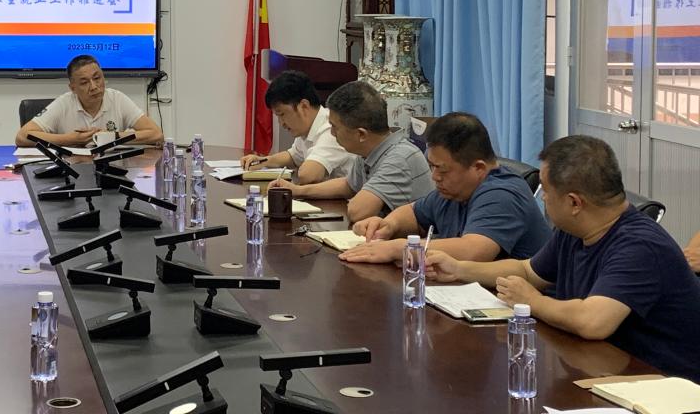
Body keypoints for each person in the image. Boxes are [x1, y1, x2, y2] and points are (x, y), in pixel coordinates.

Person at [426, 135, 700, 383]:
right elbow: (528, 271)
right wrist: (459, 269)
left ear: (574, 203)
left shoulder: (640, 246)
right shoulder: (576, 230)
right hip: (606, 372)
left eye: (546, 191)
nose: (543, 198)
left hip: (664, 386)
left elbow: (593, 322)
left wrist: (533, 302)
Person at [341, 111, 550, 264]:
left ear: (478, 168)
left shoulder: (502, 193)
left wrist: (398, 248)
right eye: (432, 166)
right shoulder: (455, 190)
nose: (434, 177)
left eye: (442, 169)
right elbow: (414, 213)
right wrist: (388, 225)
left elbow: (473, 251)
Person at [268, 81, 433, 220]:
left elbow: (358, 211)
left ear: (361, 134)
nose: (332, 133)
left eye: (335, 127)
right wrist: (297, 191)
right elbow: (348, 185)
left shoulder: (399, 158)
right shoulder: (369, 152)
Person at [15, 55, 163, 147]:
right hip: (73, 171)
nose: (94, 87)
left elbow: (156, 134)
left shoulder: (117, 99)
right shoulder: (64, 103)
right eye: (84, 82)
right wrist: (69, 139)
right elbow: (22, 137)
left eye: (97, 78)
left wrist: (113, 137)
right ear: (73, 88)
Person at [238, 71, 355, 184]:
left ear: (303, 106)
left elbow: (308, 175)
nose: (281, 123)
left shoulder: (331, 128)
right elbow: (293, 156)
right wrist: (263, 161)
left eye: (282, 114)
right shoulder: (308, 127)